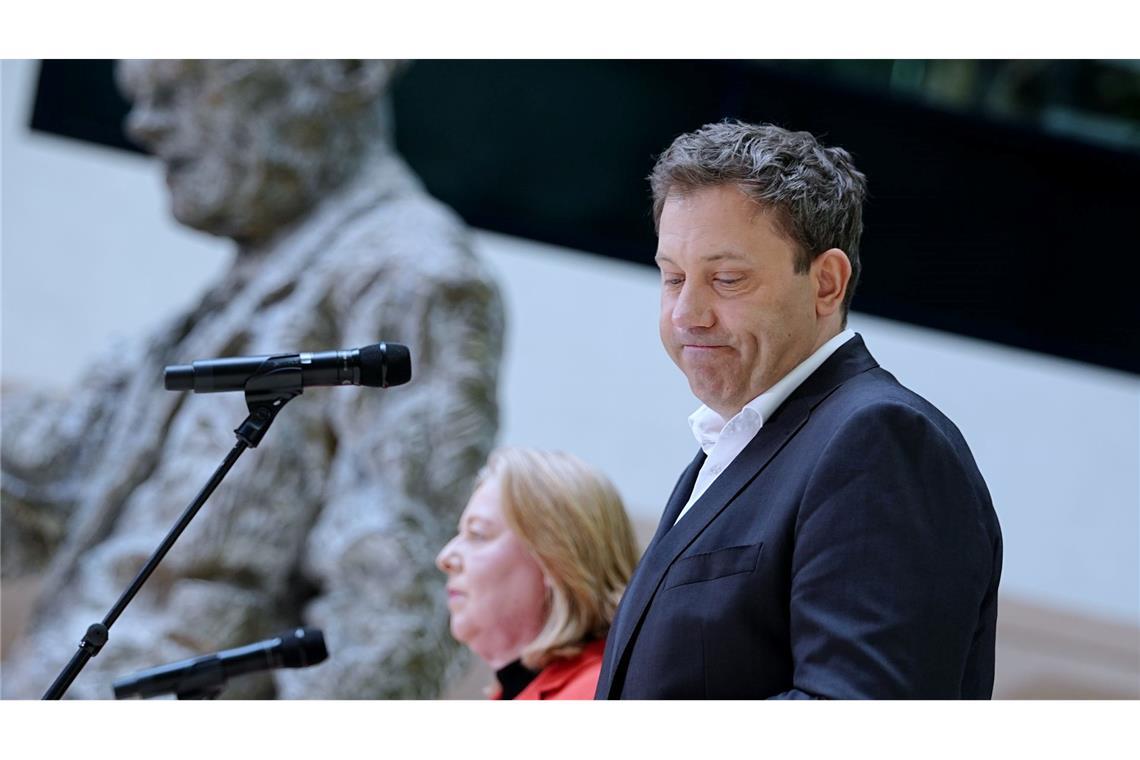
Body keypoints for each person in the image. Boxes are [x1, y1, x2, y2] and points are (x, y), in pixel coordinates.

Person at [0, 60, 503, 699]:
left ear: (347, 65)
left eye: (182, 86)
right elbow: (49, 478)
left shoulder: (411, 276)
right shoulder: (260, 273)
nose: (145, 123)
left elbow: (388, 617)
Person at [595, 120, 1003, 699]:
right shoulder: (742, 441)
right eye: (673, 278)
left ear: (827, 284)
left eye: (726, 279)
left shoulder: (880, 441)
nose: (687, 313)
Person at [436, 447, 638, 699]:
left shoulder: (596, 692)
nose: (445, 558)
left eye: (477, 534)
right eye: (460, 534)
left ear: (556, 559)